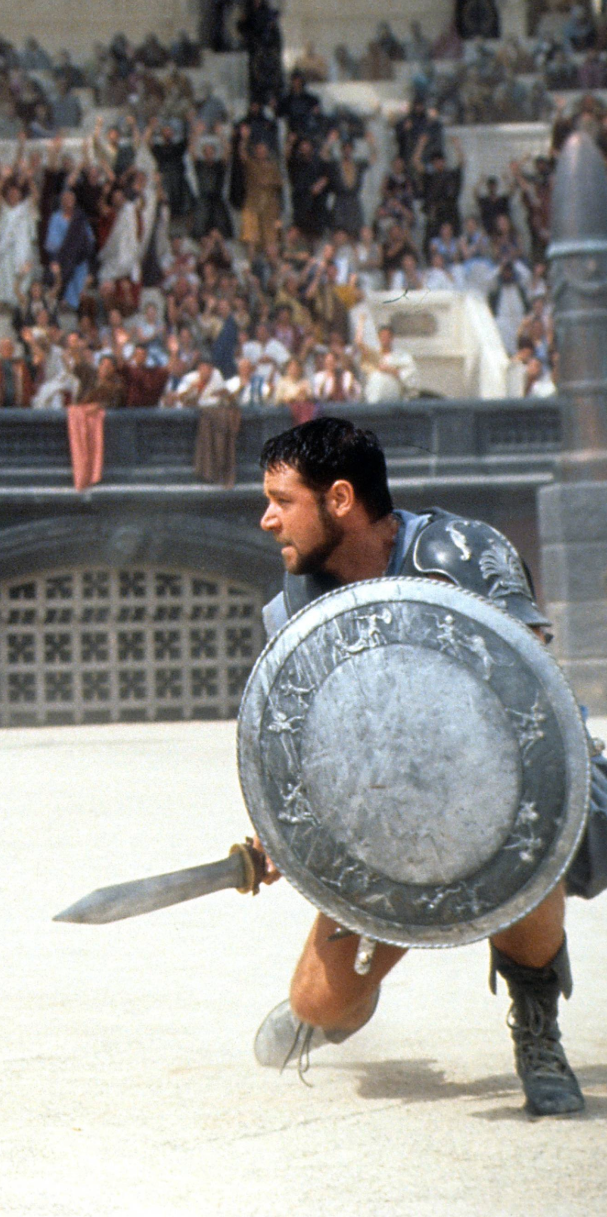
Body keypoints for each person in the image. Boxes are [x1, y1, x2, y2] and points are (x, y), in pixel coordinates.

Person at [251, 418, 599, 1116]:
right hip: (385, 828)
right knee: (319, 1000)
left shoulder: (460, 553)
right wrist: (284, 837)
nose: (266, 520)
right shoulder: (295, 610)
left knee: (529, 864)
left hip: (512, 794)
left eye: (281, 500)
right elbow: (297, 748)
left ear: (341, 499)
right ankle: (339, 1009)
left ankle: (537, 1025)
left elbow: (531, 695)